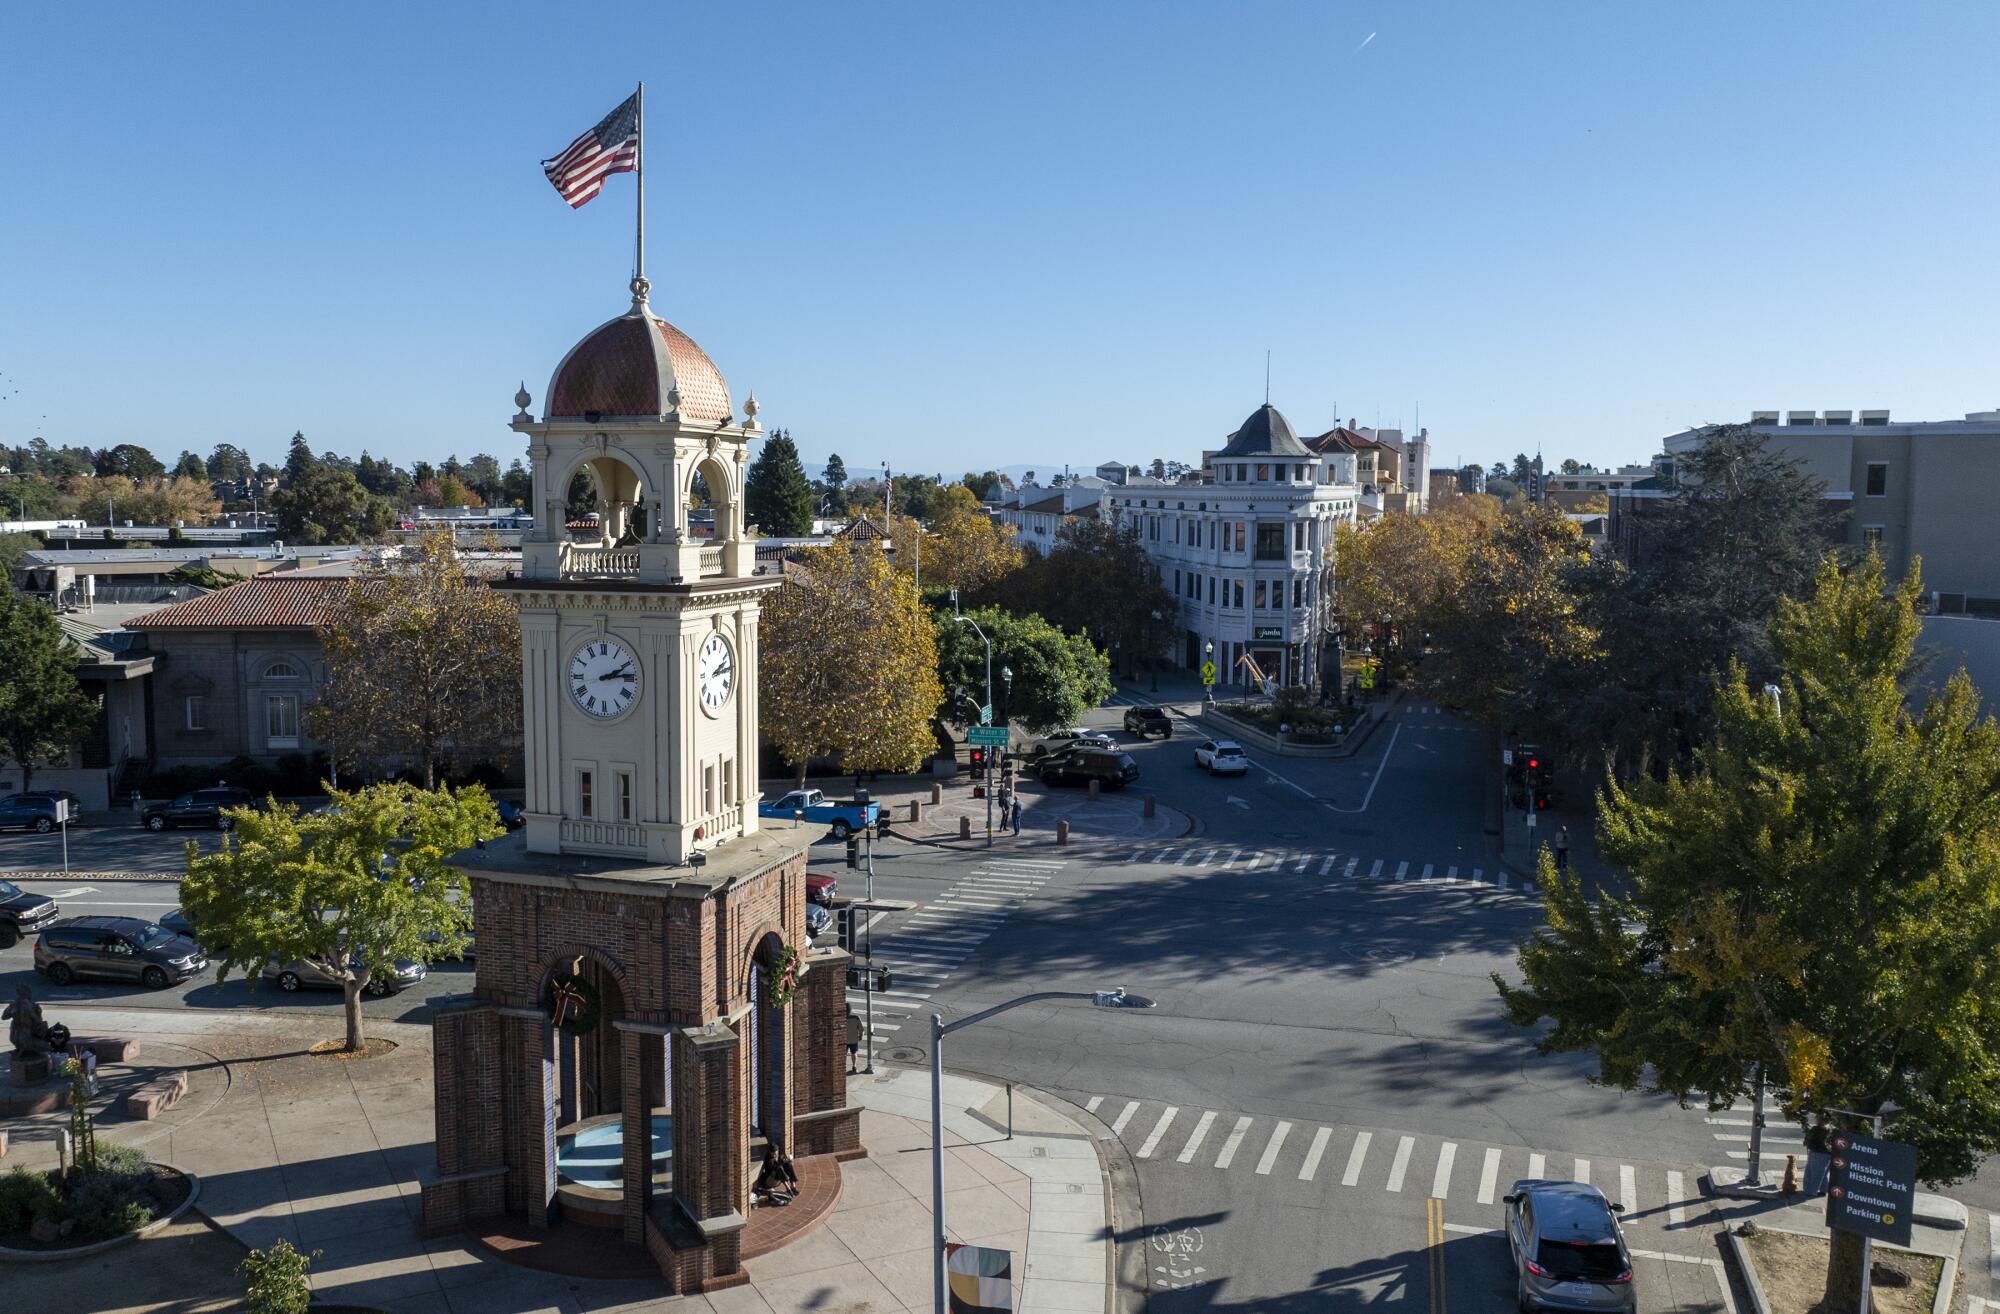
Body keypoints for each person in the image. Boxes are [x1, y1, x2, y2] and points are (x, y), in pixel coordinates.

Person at [1804, 1119, 1832, 1197]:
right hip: (1828, 1154)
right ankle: (1823, 1190)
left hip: (1816, 1153)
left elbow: (1808, 1140)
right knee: (1824, 1173)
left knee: (1813, 1173)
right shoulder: (1832, 1131)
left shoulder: (1815, 1129)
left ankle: (1811, 1191)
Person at [846, 1007, 863, 1073]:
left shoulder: (840, 1017)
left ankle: (842, 1066)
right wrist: (861, 1036)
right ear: (851, 1010)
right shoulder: (856, 1017)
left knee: (844, 1054)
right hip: (853, 1039)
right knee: (854, 1053)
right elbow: (861, 1029)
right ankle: (854, 1066)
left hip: (844, 1039)